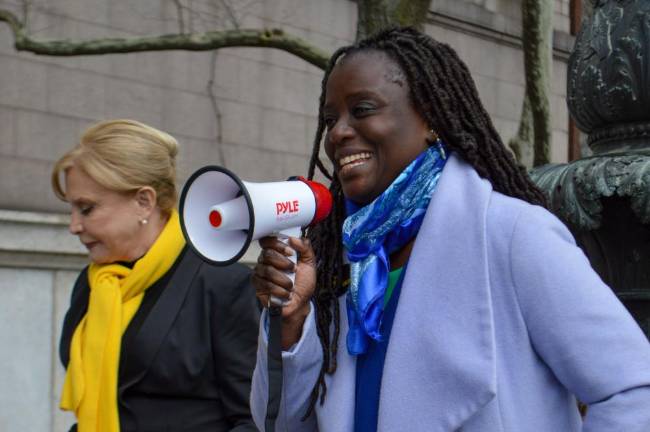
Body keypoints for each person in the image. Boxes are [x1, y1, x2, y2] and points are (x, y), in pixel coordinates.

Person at [249, 27, 650, 431]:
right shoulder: (346, 257)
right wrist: (293, 322)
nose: (337, 133)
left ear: (430, 119)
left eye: (363, 109)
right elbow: (284, 425)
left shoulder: (512, 233)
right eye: (330, 119)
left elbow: (634, 390)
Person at [52, 119, 259, 432]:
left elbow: (252, 419)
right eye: (72, 210)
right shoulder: (93, 283)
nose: (74, 226)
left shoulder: (220, 283)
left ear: (143, 202)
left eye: (87, 208)